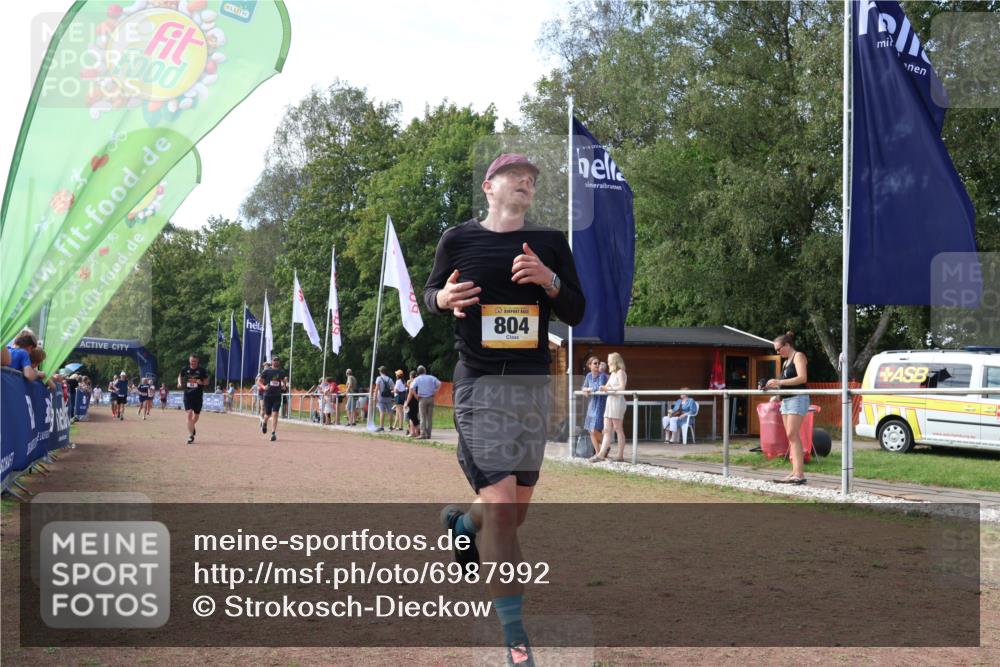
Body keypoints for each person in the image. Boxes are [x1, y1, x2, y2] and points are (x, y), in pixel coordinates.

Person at [424, 152, 584, 664]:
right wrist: (442, 300)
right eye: (516, 176)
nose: (526, 183)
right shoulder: (458, 239)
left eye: (532, 179)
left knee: (511, 517)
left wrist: (549, 280)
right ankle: (516, 640)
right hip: (480, 386)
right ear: (489, 187)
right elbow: (430, 293)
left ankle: (462, 525)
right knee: (501, 508)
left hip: (532, 388)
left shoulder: (552, 243)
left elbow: (578, 308)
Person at [765, 331, 809, 484]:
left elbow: (802, 378)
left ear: (787, 345)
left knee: (792, 434)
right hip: (786, 401)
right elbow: (785, 383)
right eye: (776, 350)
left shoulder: (799, 356)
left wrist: (779, 382)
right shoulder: (785, 362)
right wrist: (775, 392)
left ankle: (799, 474)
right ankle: (796, 473)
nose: (777, 352)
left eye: (779, 349)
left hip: (798, 399)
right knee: (792, 437)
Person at [590, 352, 628, 462]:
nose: (607, 362)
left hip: (617, 401)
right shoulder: (612, 374)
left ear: (615, 361)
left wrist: (608, 389)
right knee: (606, 430)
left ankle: (620, 455)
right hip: (610, 401)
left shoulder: (621, 372)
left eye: (609, 360)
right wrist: (603, 388)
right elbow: (607, 387)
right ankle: (601, 454)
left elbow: (622, 388)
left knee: (618, 429)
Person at [177, 354, 209, 444]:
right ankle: (191, 436)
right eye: (192, 361)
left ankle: (191, 425)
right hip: (188, 395)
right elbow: (180, 376)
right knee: (189, 413)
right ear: (189, 361)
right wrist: (179, 383)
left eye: (195, 361)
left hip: (198, 396)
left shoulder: (202, 370)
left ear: (197, 361)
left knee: (196, 416)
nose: (193, 363)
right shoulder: (185, 369)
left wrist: (201, 382)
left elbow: (207, 382)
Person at [580, 356, 608, 456]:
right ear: (589, 365)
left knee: (595, 429)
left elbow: (598, 388)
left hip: (600, 405)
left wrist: (588, 389)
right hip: (591, 405)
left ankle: (606, 445)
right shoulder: (588, 376)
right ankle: (597, 452)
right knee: (590, 430)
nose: (597, 365)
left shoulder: (602, 376)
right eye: (595, 363)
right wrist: (586, 389)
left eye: (598, 363)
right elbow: (583, 387)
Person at [258, 355, 288, 442]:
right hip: (267, 395)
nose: (276, 361)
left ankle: (273, 433)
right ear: (272, 362)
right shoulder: (267, 371)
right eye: (274, 360)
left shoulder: (281, 372)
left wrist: (284, 386)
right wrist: (263, 387)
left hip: (277, 396)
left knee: (275, 414)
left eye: (277, 360)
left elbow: (284, 381)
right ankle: (264, 423)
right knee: (268, 414)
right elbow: (258, 381)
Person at [409, 365, 441, 439]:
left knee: (422, 417)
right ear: (425, 371)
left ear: (418, 372)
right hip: (431, 398)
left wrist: (416, 395)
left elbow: (411, 387)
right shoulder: (431, 377)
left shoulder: (417, 379)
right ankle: (429, 434)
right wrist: (435, 391)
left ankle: (423, 434)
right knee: (429, 418)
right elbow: (439, 383)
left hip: (422, 399)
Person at [372, 366, 394, 432]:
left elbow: (376, 389)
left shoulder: (379, 378)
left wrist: (375, 397)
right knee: (390, 412)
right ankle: (390, 426)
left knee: (382, 412)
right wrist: (390, 392)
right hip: (388, 397)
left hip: (381, 397)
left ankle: (381, 427)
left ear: (380, 371)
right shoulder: (390, 379)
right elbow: (393, 388)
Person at [405, 369, 420, 436]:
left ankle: (412, 432)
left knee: (411, 417)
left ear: (411, 376)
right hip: (417, 402)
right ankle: (417, 432)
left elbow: (410, 394)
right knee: (415, 417)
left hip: (411, 402)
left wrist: (406, 403)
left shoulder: (412, 383)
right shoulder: (418, 382)